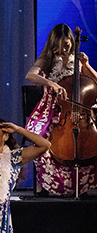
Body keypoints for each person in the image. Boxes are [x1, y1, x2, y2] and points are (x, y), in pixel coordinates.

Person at [25, 23, 97, 196]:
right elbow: (30, 75)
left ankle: (83, 184)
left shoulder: (78, 59)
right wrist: (50, 82)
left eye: (67, 45)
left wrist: (86, 65)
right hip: (52, 108)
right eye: (60, 46)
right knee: (38, 133)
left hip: (79, 111)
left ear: (72, 42)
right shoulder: (47, 59)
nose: (64, 50)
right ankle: (47, 185)